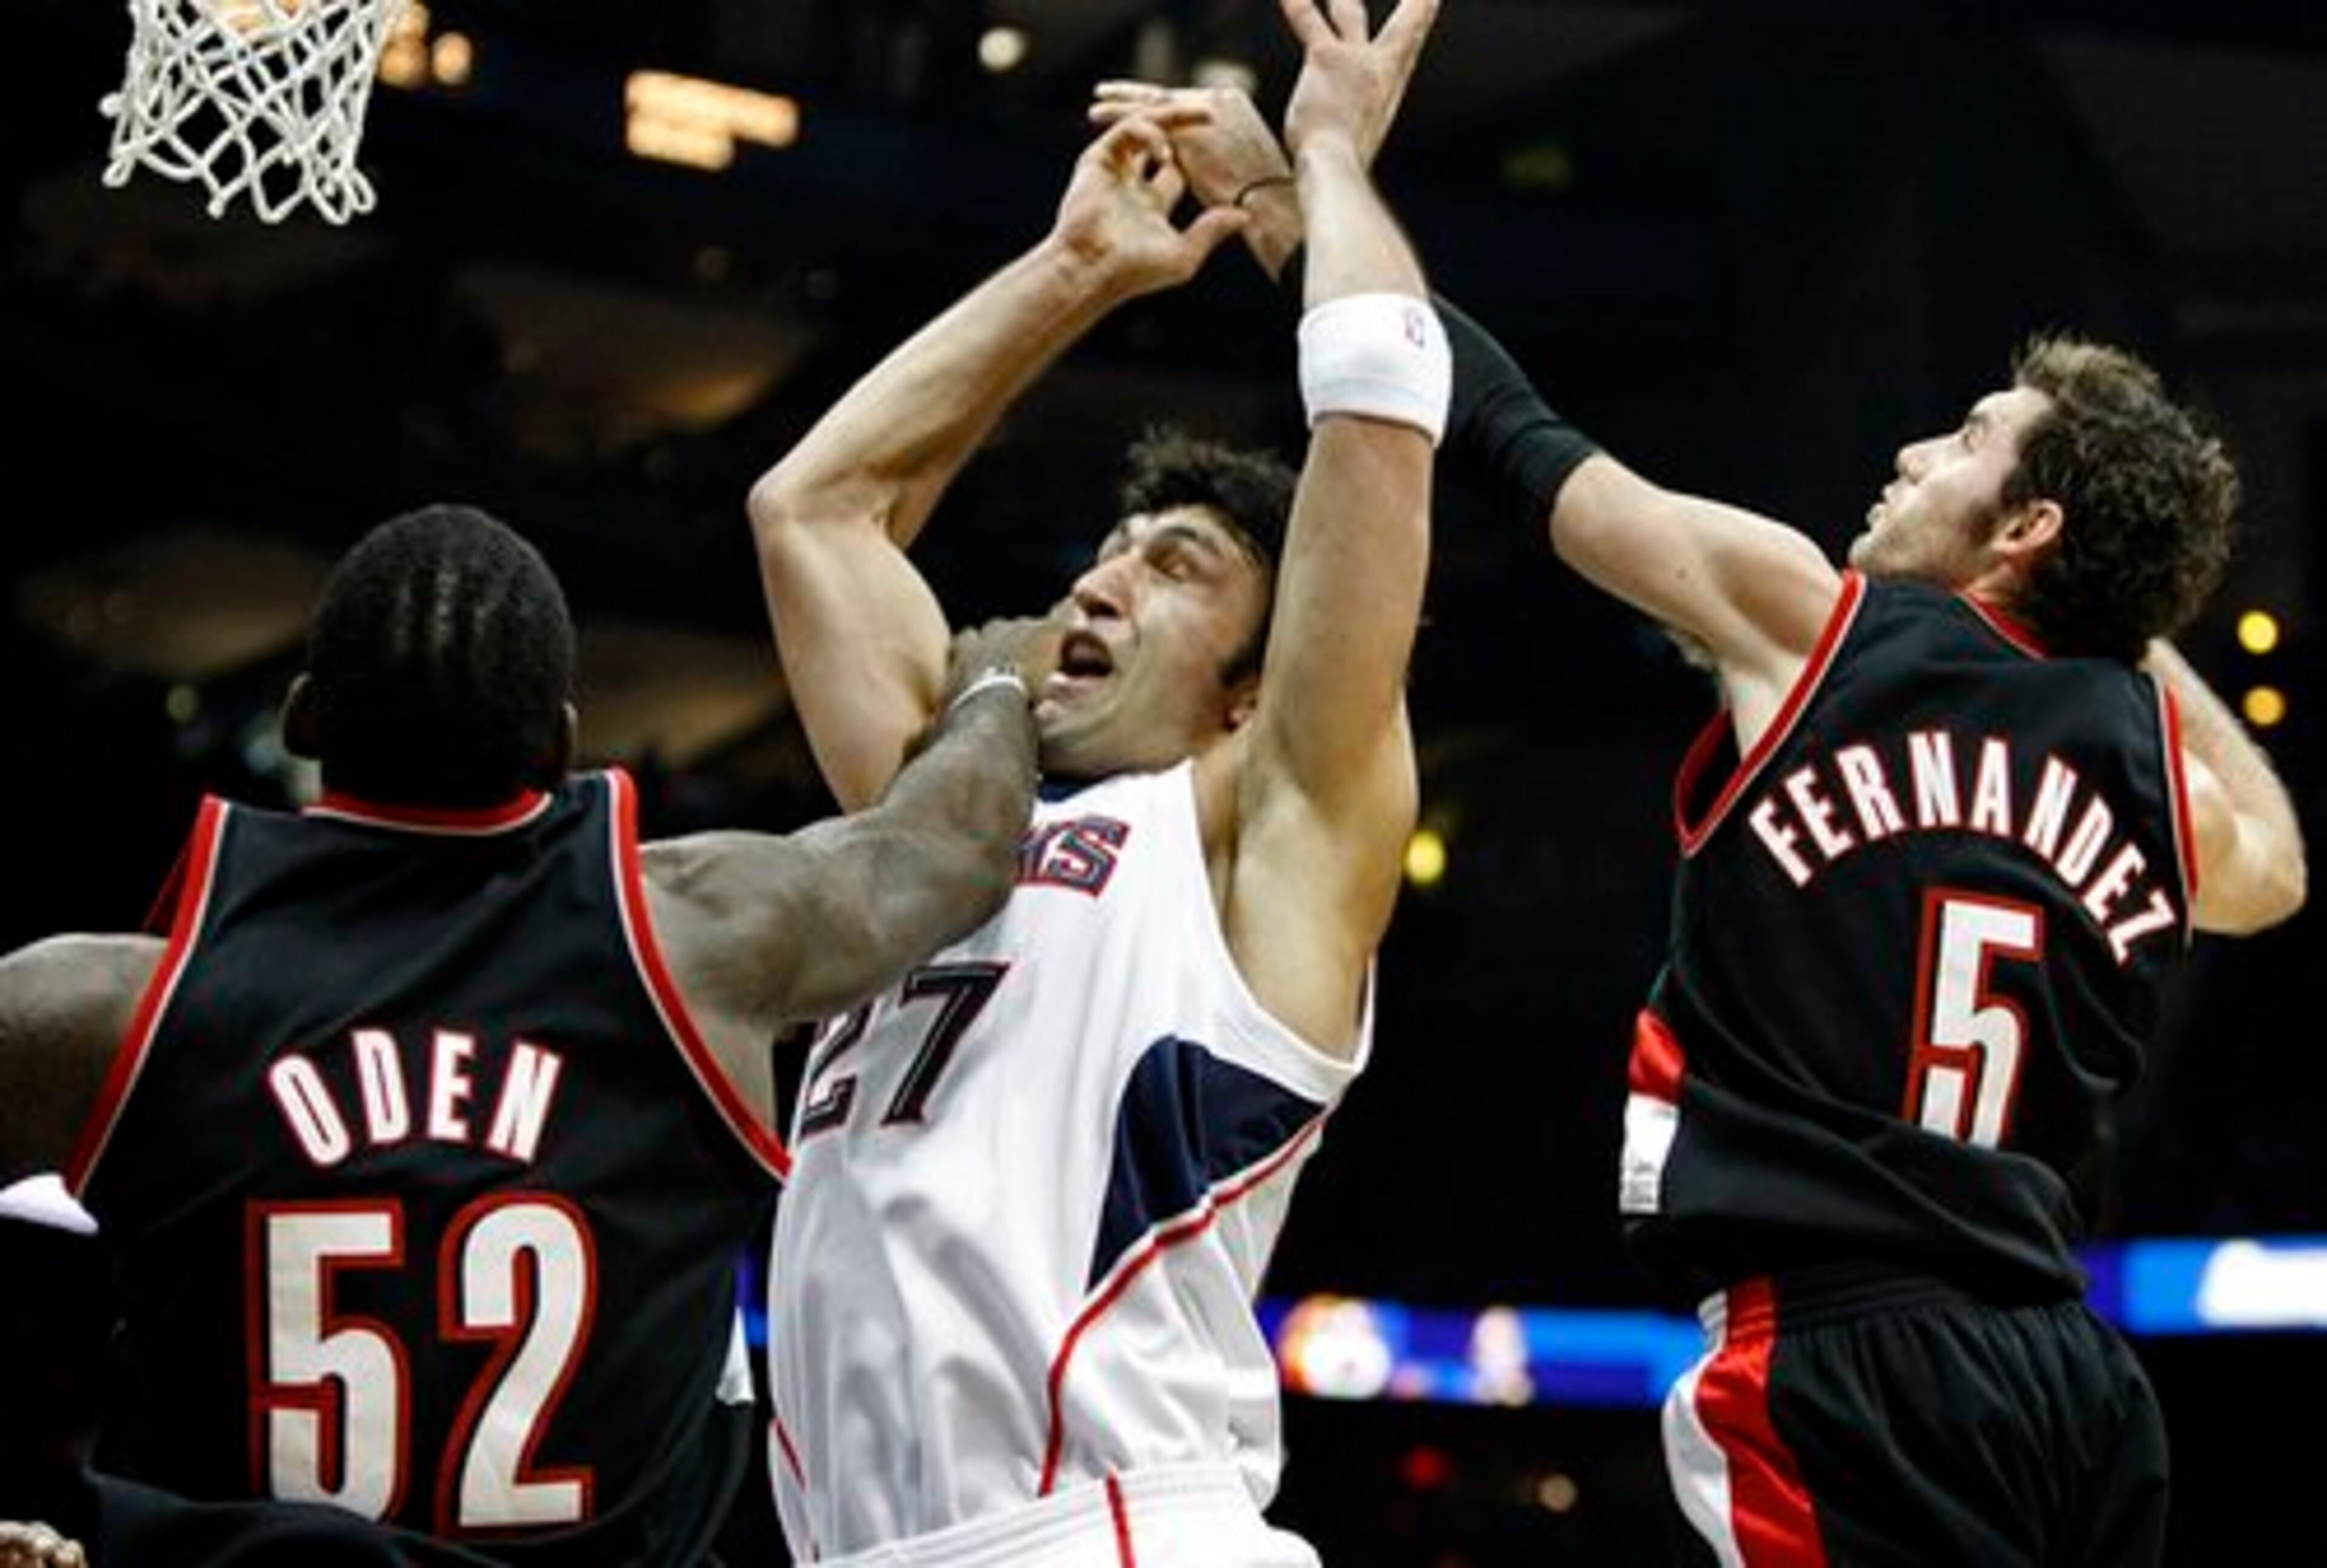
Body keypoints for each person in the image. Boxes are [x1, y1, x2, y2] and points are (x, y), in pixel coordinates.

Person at [1122, 75, 2310, 1568]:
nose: (1915, 451)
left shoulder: (1818, 629)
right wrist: (2129, 628)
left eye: (1965, 442)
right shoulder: (2158, 778)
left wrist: (1304, 196)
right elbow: (2280, 869)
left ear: (2028, 530)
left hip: (1838, 1353)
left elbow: (1493, 424)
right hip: (2067, 1380)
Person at [0, 501, 1052, 1566]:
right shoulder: (700, 939)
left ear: (305, 717)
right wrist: (996, 684)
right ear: (558, 742)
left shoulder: (106, 1006)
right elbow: (952, 848)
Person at [742, 0, 1448, 1561]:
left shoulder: (1257, 827)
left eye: (1175, 566)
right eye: (1109, 551)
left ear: (1252, 692)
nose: (1100, 583)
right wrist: (1077, 269)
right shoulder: (942, 795)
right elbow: (813, 511)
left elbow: (1383, 425)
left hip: (1112, 1526)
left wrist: (1315, 177)